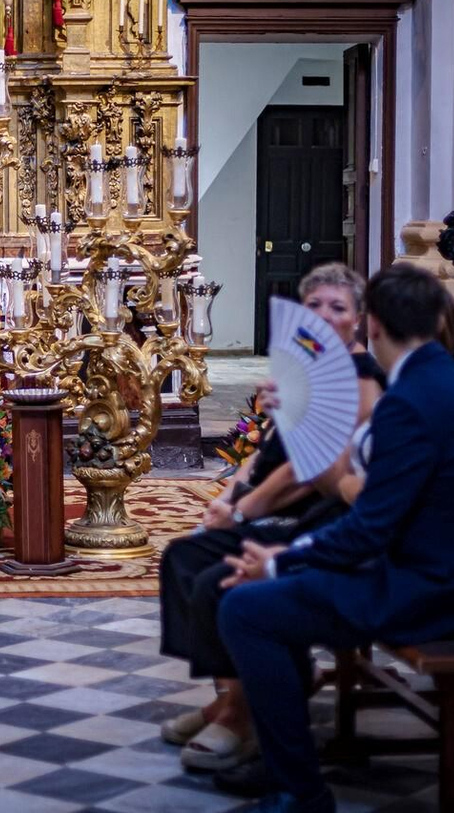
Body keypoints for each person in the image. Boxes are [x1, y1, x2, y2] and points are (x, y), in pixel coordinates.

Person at [214, 263, 454, 813]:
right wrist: (292, 559)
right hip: (450, 570)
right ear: (437, 323)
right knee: (272, 595)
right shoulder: (445, 381)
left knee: (246, 609)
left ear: (375, 326)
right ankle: (279, 759)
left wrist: (280, 561)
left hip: (441, 591)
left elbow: (370, 528)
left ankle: (299, 791)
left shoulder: (410, 402)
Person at [158, 263, 385, 774]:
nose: (324, 316)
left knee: (218, 573)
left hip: (313, 514)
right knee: (181, 556)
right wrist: (229, 495)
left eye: (338, 307)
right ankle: (230, 695)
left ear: (359, 320)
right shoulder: (307, 370)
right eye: (314, 306)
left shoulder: (360, 377)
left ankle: (243, 713)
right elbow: (262, 452)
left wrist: (241, 511)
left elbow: (308, 471)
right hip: (269, 502)